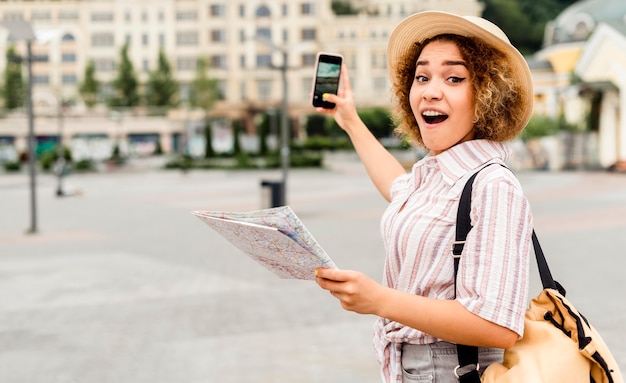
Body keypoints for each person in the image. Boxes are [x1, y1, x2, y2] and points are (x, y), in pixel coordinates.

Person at [314, 11, 534, 383]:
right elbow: (397, 188)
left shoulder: (493, 185)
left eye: (454, 77)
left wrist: (379, 300)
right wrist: (350, 119)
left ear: (489, 96)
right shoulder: (439, 174)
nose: (431, 90)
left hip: (455, 371)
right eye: (421, 76)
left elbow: (498, 326)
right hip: (408, 367)